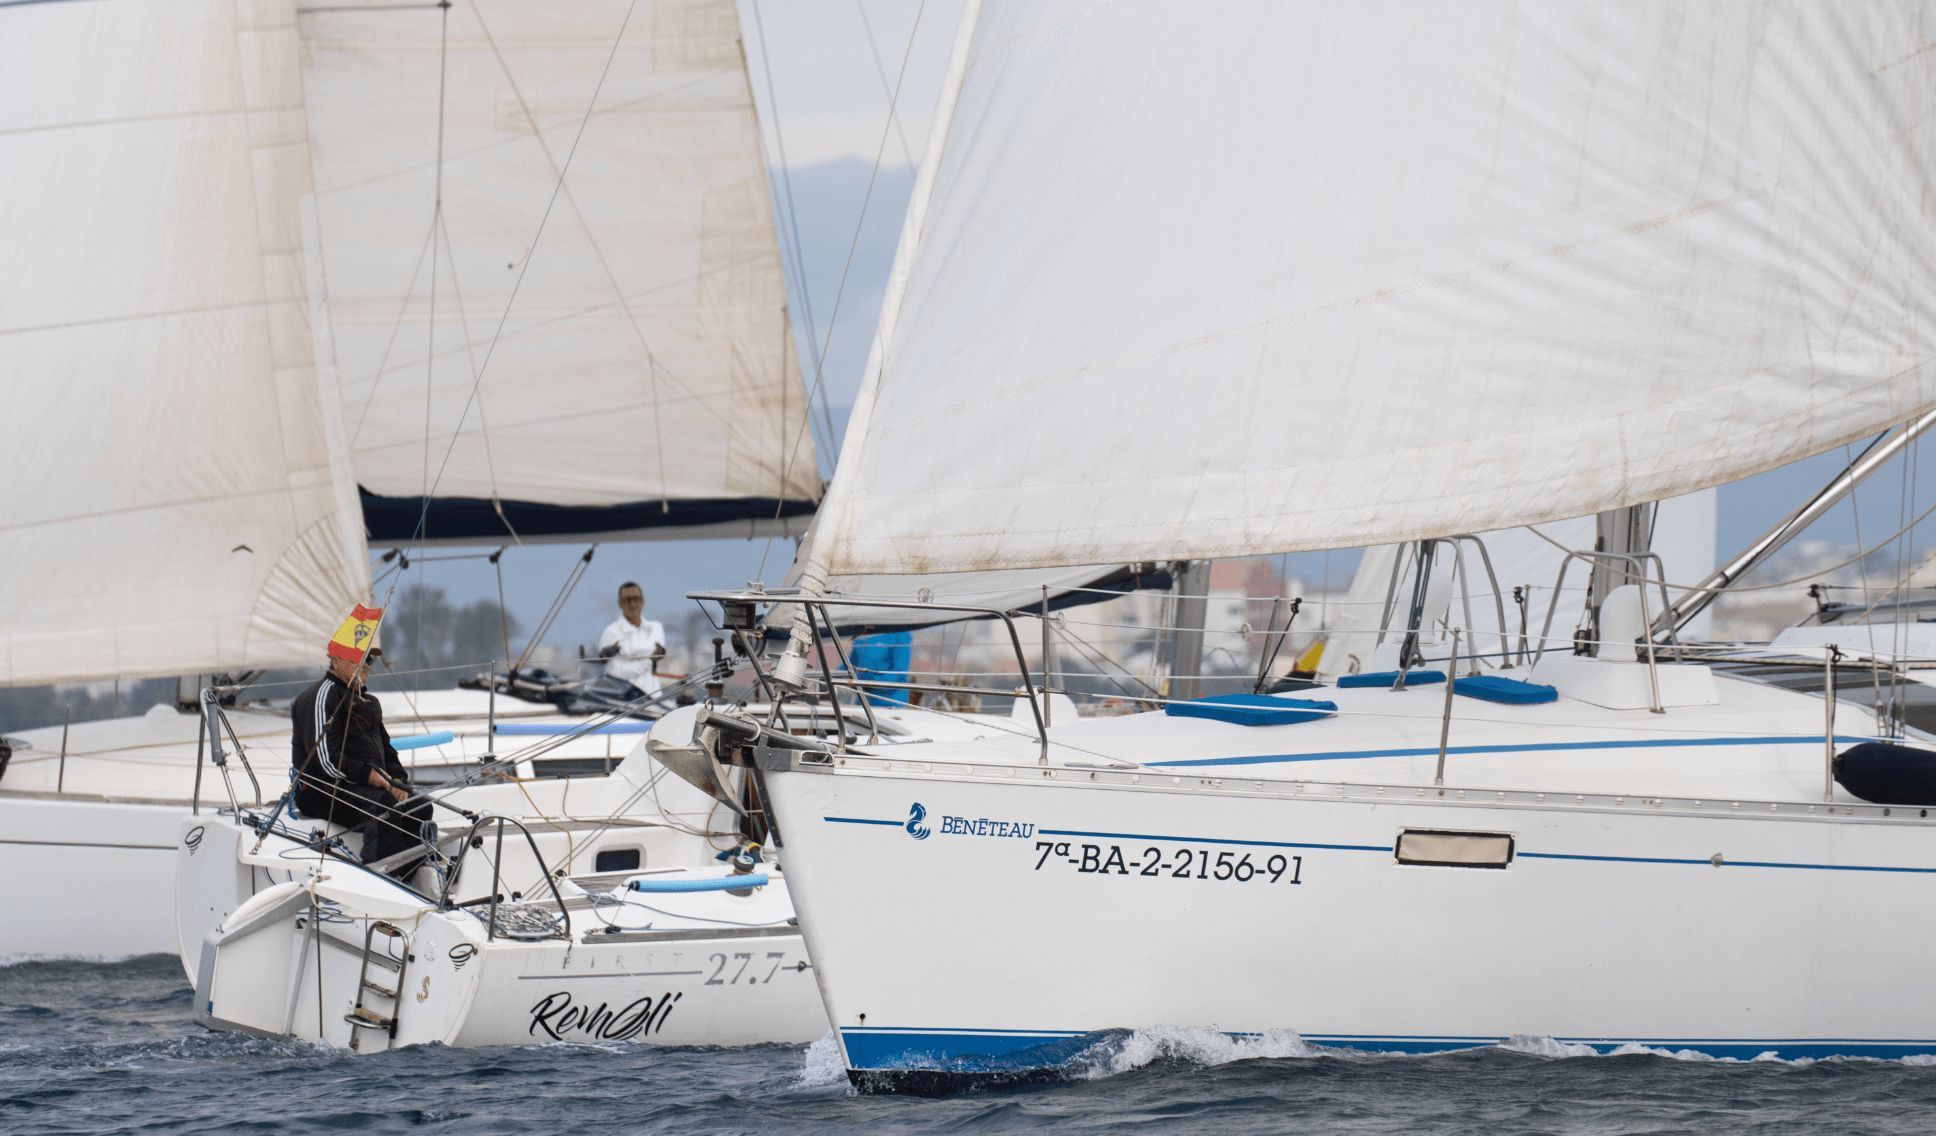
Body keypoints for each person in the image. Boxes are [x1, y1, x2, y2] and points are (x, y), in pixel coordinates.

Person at [290, 604, 433, 877]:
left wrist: (397, 781)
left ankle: (408, 878)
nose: (367, 666)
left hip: (363, 787)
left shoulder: (369, 702)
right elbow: (325, 761)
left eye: (370, 660)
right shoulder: (322, 696)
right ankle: (380, 878)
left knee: (419, 806)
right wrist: (370, 776)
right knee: (383, 807)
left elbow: (387, 752)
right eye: (361, 658)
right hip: (323, 790)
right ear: (337, 661)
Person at [596, 580, 667, 700]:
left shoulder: (656, 627)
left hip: (654, 701)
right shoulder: (610, 632)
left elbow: (659, 651)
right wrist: (649, 658)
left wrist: (623, 649)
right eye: (627, 600)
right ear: (620, 604)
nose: (632, 604)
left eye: (636, 599)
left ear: (643, 601)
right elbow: (616, 672)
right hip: (622, 703)